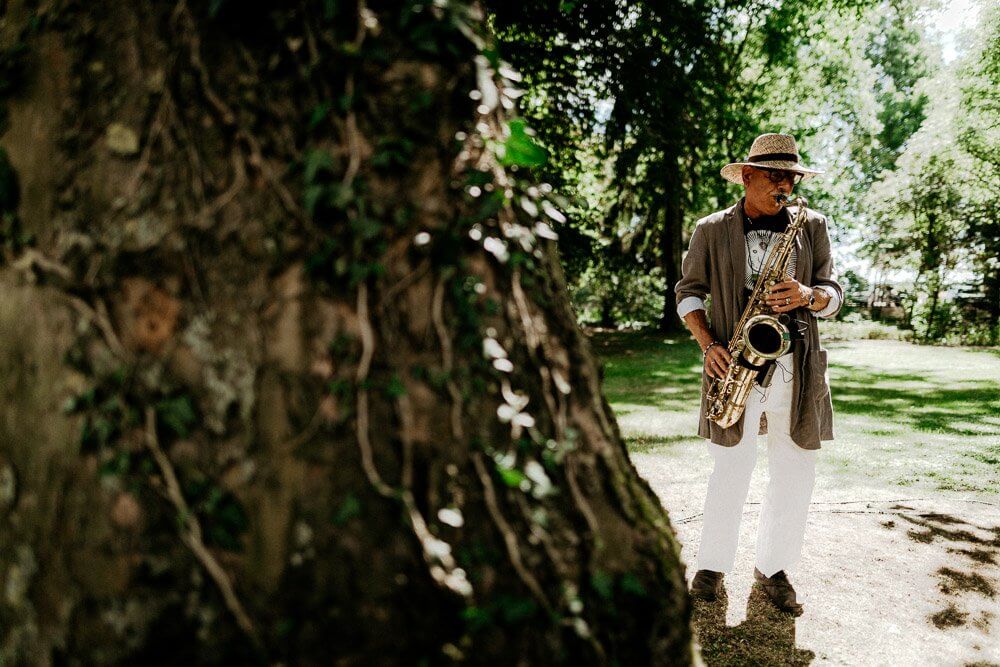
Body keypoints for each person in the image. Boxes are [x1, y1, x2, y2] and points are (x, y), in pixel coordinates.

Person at [674, 133, 843, 615]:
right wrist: (708, 345)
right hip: (736, 362)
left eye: (792, 176)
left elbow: (833, 290)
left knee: (795, 471)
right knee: (731, 467)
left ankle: (773, 567)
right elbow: (688, 293)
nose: (785, 185)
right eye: (775, 176)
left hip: (797, 365)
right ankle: (711, 565)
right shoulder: (710, 229)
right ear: (746, 177)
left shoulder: (812, 226)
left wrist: (810, 295)